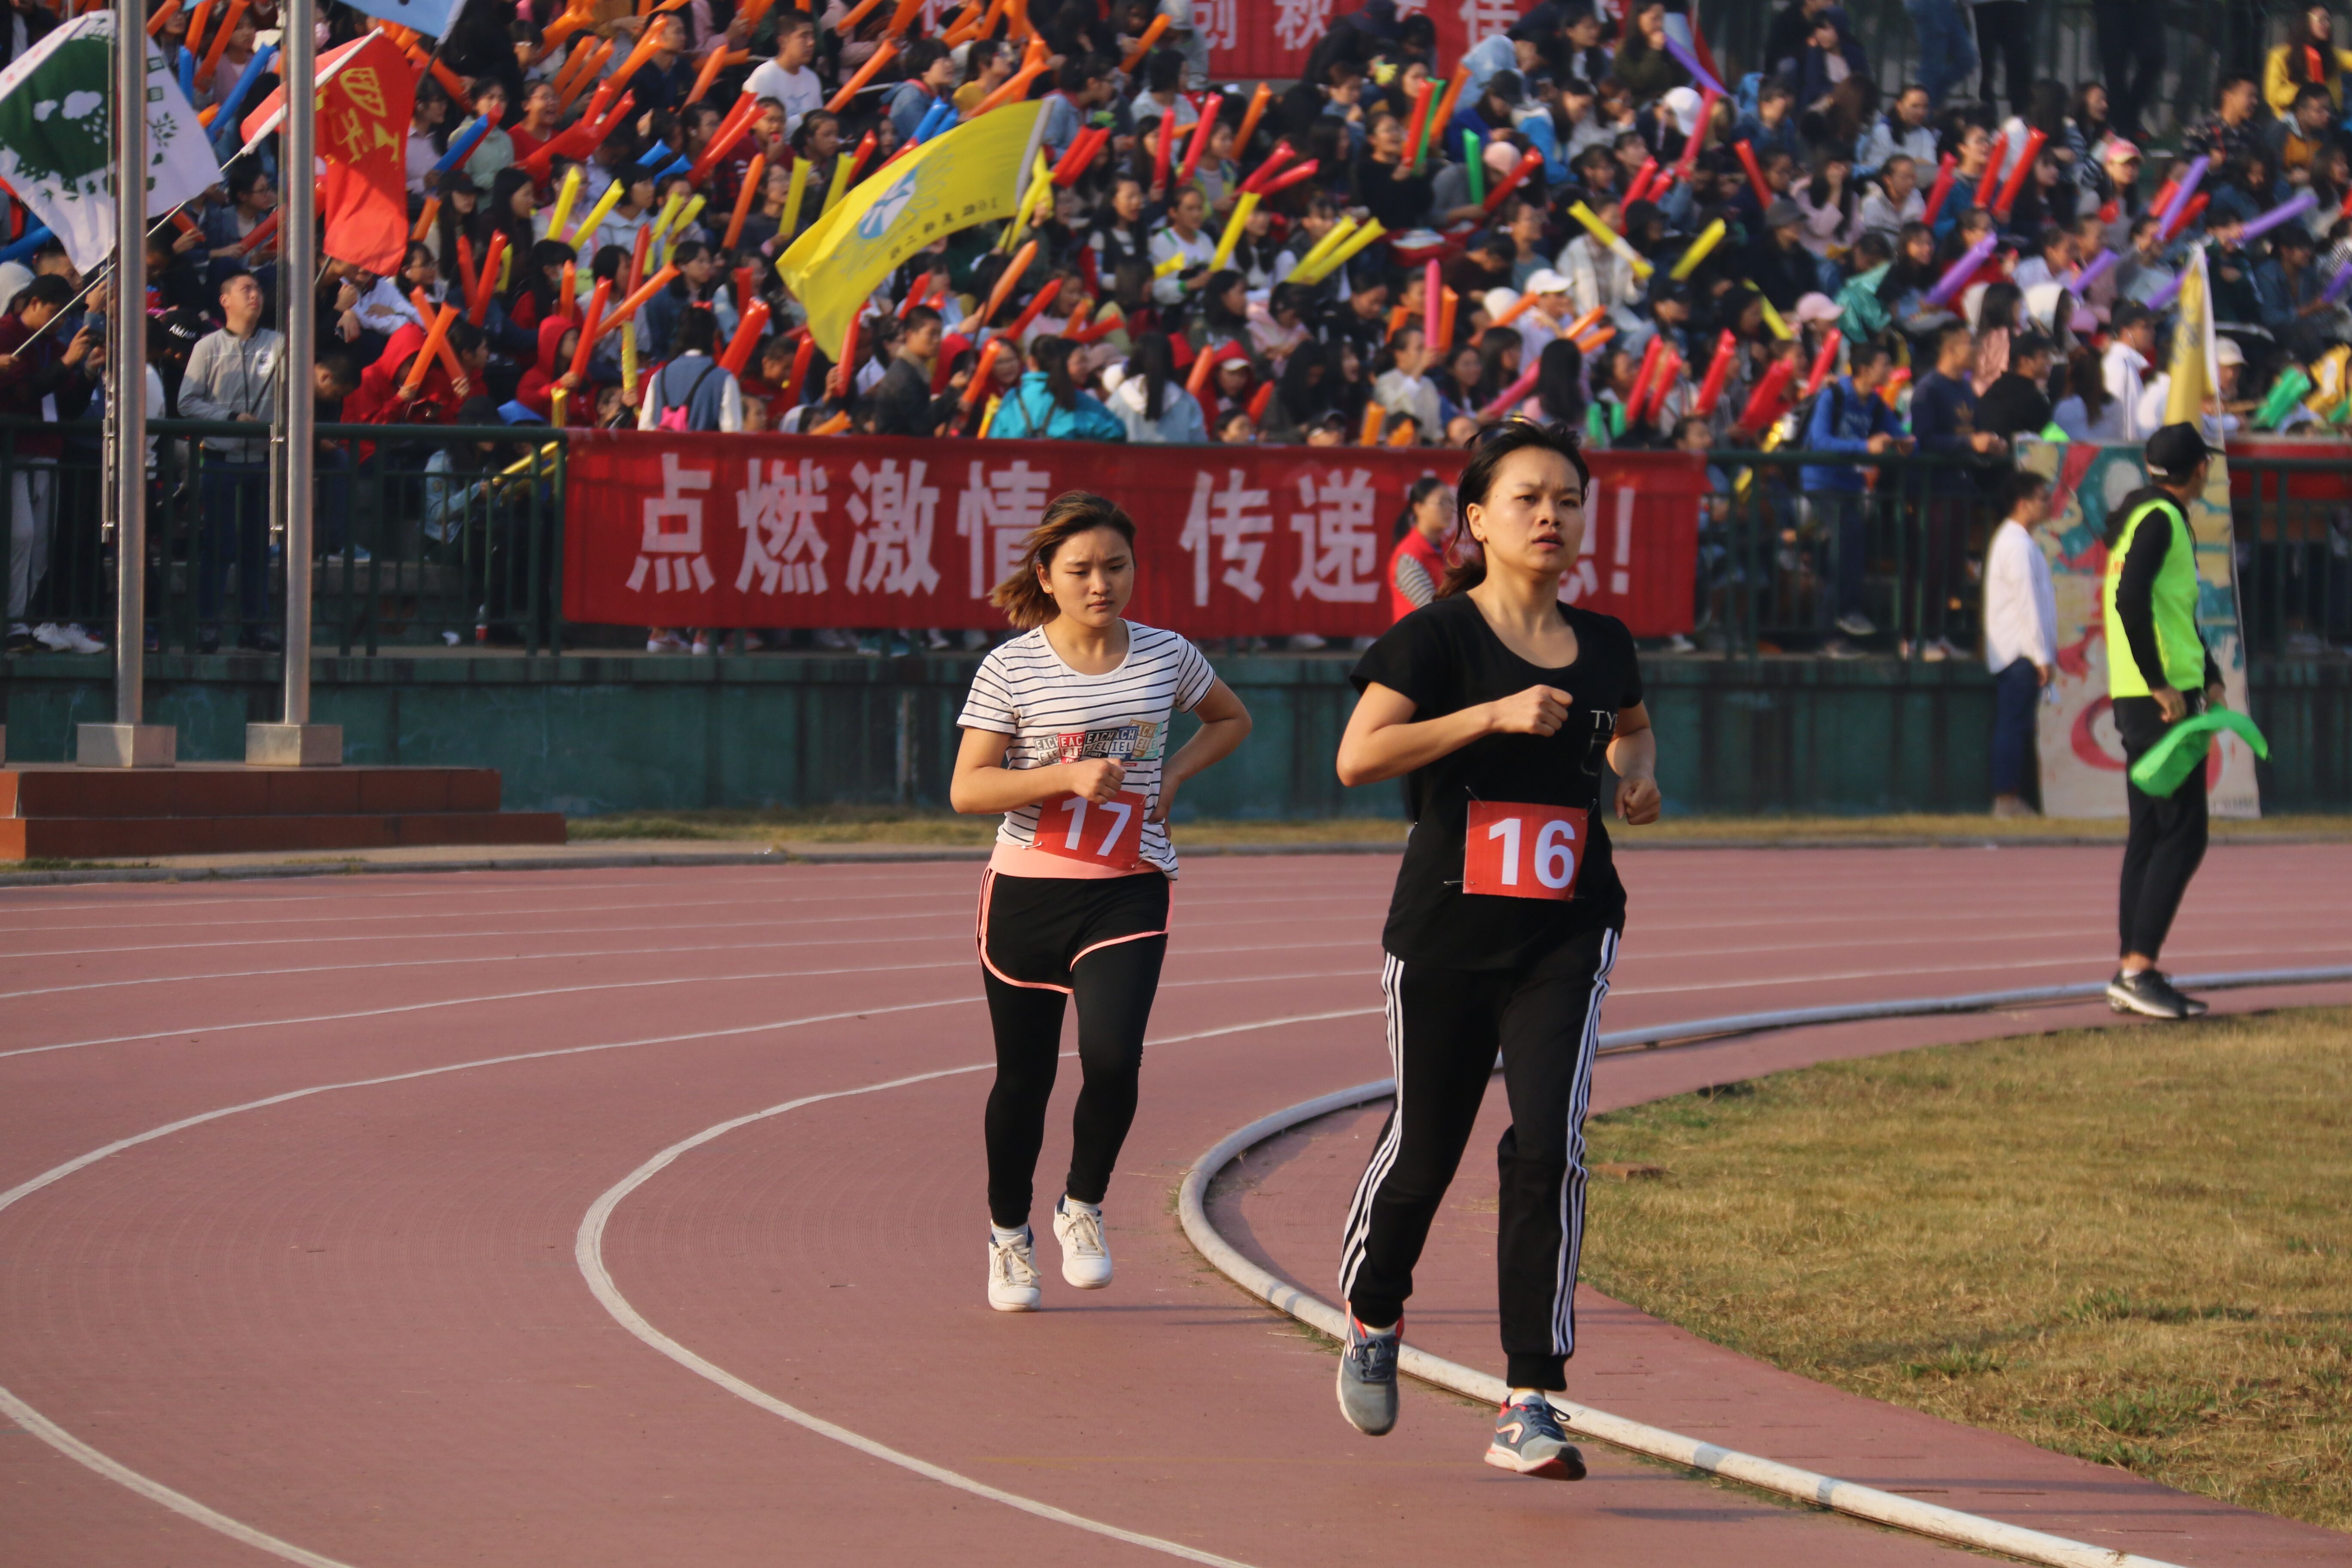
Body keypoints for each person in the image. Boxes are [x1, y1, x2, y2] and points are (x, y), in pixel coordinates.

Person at [1329, 420, 1660, 1477]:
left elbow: (1631, 726)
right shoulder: (1437, 638)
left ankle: (1531, 1396)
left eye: (1567, 499)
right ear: (1476, 519)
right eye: (1527, 498)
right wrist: (1489, 716)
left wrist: (1637, 776)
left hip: (1565, 929)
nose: (1550, 516)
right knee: (1425, 1152)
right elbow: (1358, 757)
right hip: (1443, 935)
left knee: (1549, 1144)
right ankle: (1374, 1310)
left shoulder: (1604, 640)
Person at [949, 491, 1252, 1312]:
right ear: (1045, 576)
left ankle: (1080, 1204)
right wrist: (1064, 775)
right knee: (1024, 1077)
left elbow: (1230, 718)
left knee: (1114, 1056)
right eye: (1080, 569)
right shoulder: (1011, 667)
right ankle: (1008, 1235)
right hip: (1026, 893)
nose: (1100, 583)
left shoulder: (1165, 654)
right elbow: (968, 788)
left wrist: (1174, 775)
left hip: (1128, 885)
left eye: (1115, 566)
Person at [2101, 424, 2228, 1020]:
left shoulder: (2141, 515)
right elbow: (2131, 599)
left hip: (2148, 692)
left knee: (2151, 832)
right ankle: (2139, 969)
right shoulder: (2163, 520)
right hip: (2158, 699)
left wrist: (2210, 674)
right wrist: (2160, 681)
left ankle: (2132, 967)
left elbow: (2173, 610)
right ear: (2198, 468)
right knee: (2184, 832)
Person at [175, 268, 282, 653]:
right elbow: (187, 402)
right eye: (246, 289)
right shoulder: (207, 347)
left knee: (258, 549)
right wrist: (229, 418)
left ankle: (255, 626)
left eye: (258, 289)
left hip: (264, 460)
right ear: (225, 301)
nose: (255, 295)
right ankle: (208, 625)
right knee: (218, 547)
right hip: (222, 459)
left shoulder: (280, 344)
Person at [1983, 469, 2057, 818]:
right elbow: (2028, 603)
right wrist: (2040, 655)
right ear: (2023, 503)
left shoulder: (2019, 542)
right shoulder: (2016, 545)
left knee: (2019, 724)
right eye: (2043, 498)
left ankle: (2014, 797)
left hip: (2022, 652)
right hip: (2019, 653)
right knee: (2013, 724)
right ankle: (2005, 799)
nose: (2049, 504)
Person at [1387, 475, 1452, 622]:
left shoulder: (1448, 551)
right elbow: (1432, 608)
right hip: (1421, 636)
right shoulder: (1409, 556)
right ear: (1419, 508)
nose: (1449, 509)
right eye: (1442, 502)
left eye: (1450, 502)